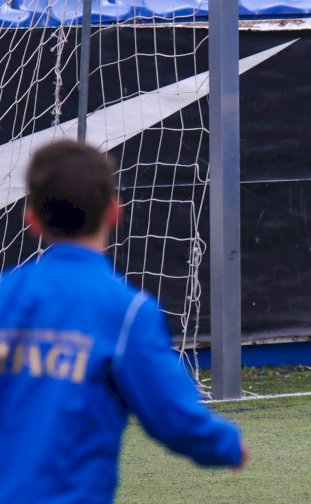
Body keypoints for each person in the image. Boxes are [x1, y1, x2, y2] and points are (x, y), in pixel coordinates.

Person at [0, 140, 249, 503]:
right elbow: (172, 417)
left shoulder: (5, 295)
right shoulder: (127, 311)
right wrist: (226, 445)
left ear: (31, 220)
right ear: (114, 213)